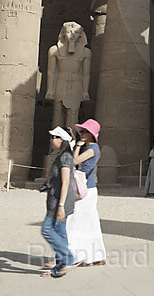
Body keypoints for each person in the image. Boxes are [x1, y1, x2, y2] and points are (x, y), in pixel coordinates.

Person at [67, 119, 107, 266]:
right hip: (87, 188)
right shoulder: (90, 148)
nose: (82, 134)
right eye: (81, 132)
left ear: (92, 134)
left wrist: (77, 145)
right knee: (90, 223)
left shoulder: (92, 148)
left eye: (85, 132)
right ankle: (94, 257)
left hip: (85, 189)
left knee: (75, 222)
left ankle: (75, 255)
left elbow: (74, 161)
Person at [41, 126, 78, 278]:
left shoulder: (65, 157)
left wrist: (61, 206)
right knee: (60, 233)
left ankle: (67, 258)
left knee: (47, 230)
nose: (51, 140)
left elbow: (66, 182)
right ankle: (59, 267)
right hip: (55, 200)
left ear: (61, 139)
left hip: (59, 202)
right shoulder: (62, 155)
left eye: (54, 137)